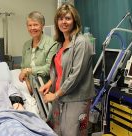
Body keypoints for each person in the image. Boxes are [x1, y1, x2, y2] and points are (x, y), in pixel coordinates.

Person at [39, 3, 95, 136]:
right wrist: (49, 84)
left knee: (73, 132)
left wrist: (55, 94)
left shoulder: (81, 42)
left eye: (68, 18)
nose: (64, 22)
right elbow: (59, 72)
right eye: (61, 19)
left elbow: (75, 75)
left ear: (75, 21)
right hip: (62, 97)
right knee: (58, 131)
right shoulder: (60, 44)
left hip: (76, 98)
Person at [19, 11, 58, 89]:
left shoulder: (52, 44)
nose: (32, 28)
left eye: (35, 25)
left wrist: (28, 70)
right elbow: (23, 67)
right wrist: (27, 84)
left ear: (42, 26)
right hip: (31, 89)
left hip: (47, 89)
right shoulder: (26, 45)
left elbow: (48, 69)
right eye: (29, 25)